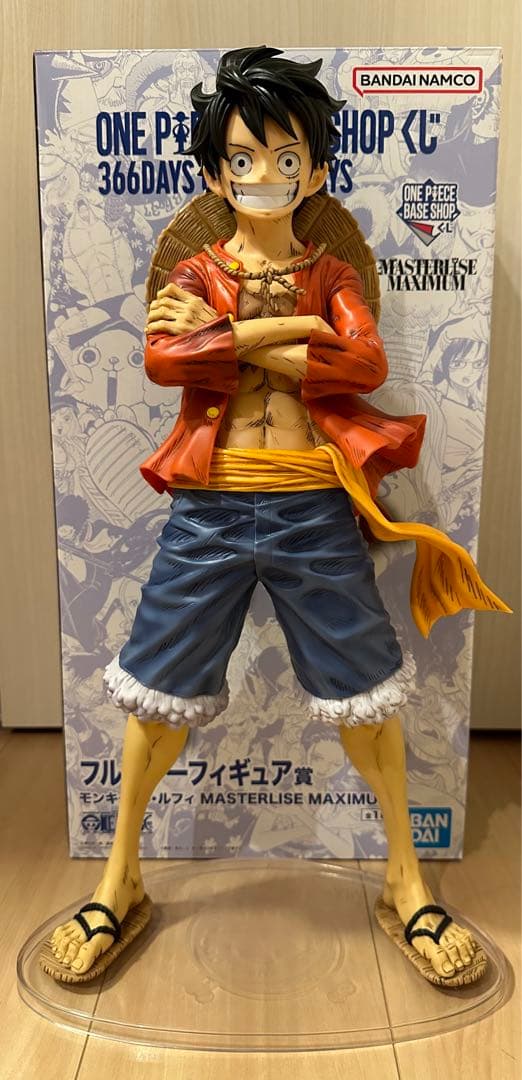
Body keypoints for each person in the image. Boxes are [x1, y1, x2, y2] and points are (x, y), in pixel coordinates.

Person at [46, 46, 509, 988]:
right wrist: (289, 332)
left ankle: (405, 878)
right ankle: (120, 876)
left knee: (366, 690)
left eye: (285, 156)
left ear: (317, 170)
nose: (264, 174)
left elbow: (365, 364)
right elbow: (166, 361)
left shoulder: (333, 274)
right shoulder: (199, 272)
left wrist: (243, 341)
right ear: (217, 175)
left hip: (313, 506)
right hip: (209, 508)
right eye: (244, 158)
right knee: (155, 690)